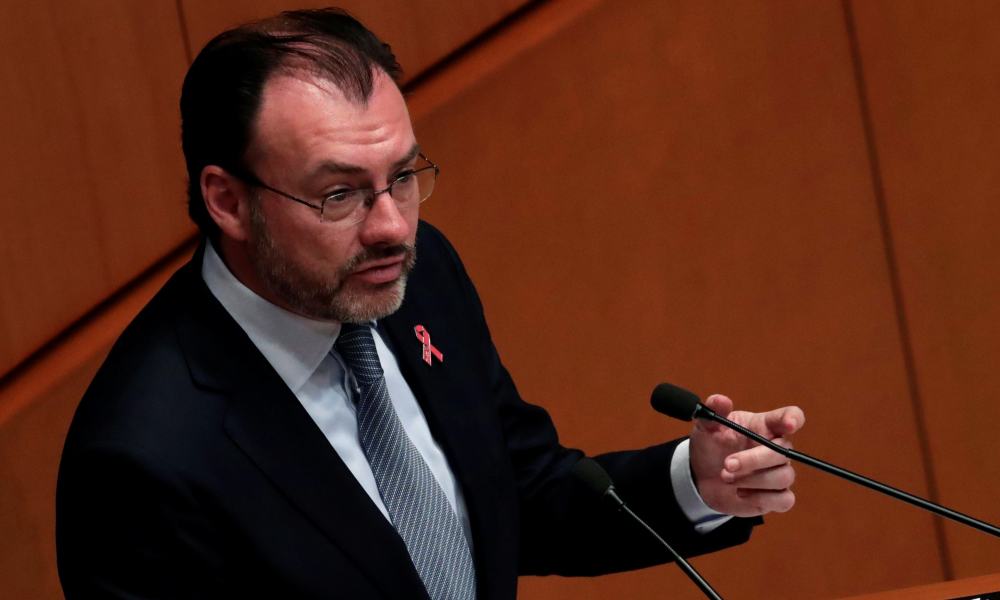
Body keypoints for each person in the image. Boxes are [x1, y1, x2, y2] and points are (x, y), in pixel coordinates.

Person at [56, 8, 804, 599]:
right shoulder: (141, 464)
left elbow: (516, 496)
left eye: (403, 176)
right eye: (339, 193)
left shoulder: (420, 274)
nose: (391, 227)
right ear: (228, 200)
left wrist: (700, 483)